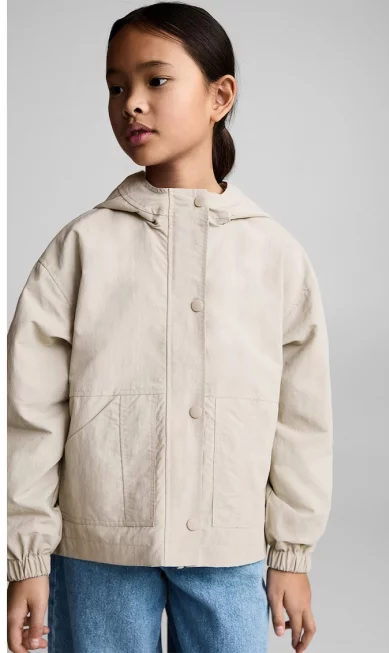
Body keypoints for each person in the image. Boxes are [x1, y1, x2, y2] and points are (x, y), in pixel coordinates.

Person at [6, 3, 334, 652]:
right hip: (96, 548)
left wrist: (291, 552)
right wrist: (28, 557)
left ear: (220, 97)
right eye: (116, 86)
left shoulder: (274, 254)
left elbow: (302, 417)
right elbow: (29, 413)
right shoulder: (81, 247)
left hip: (229, 546)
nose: (131, 102)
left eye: (156, 80)